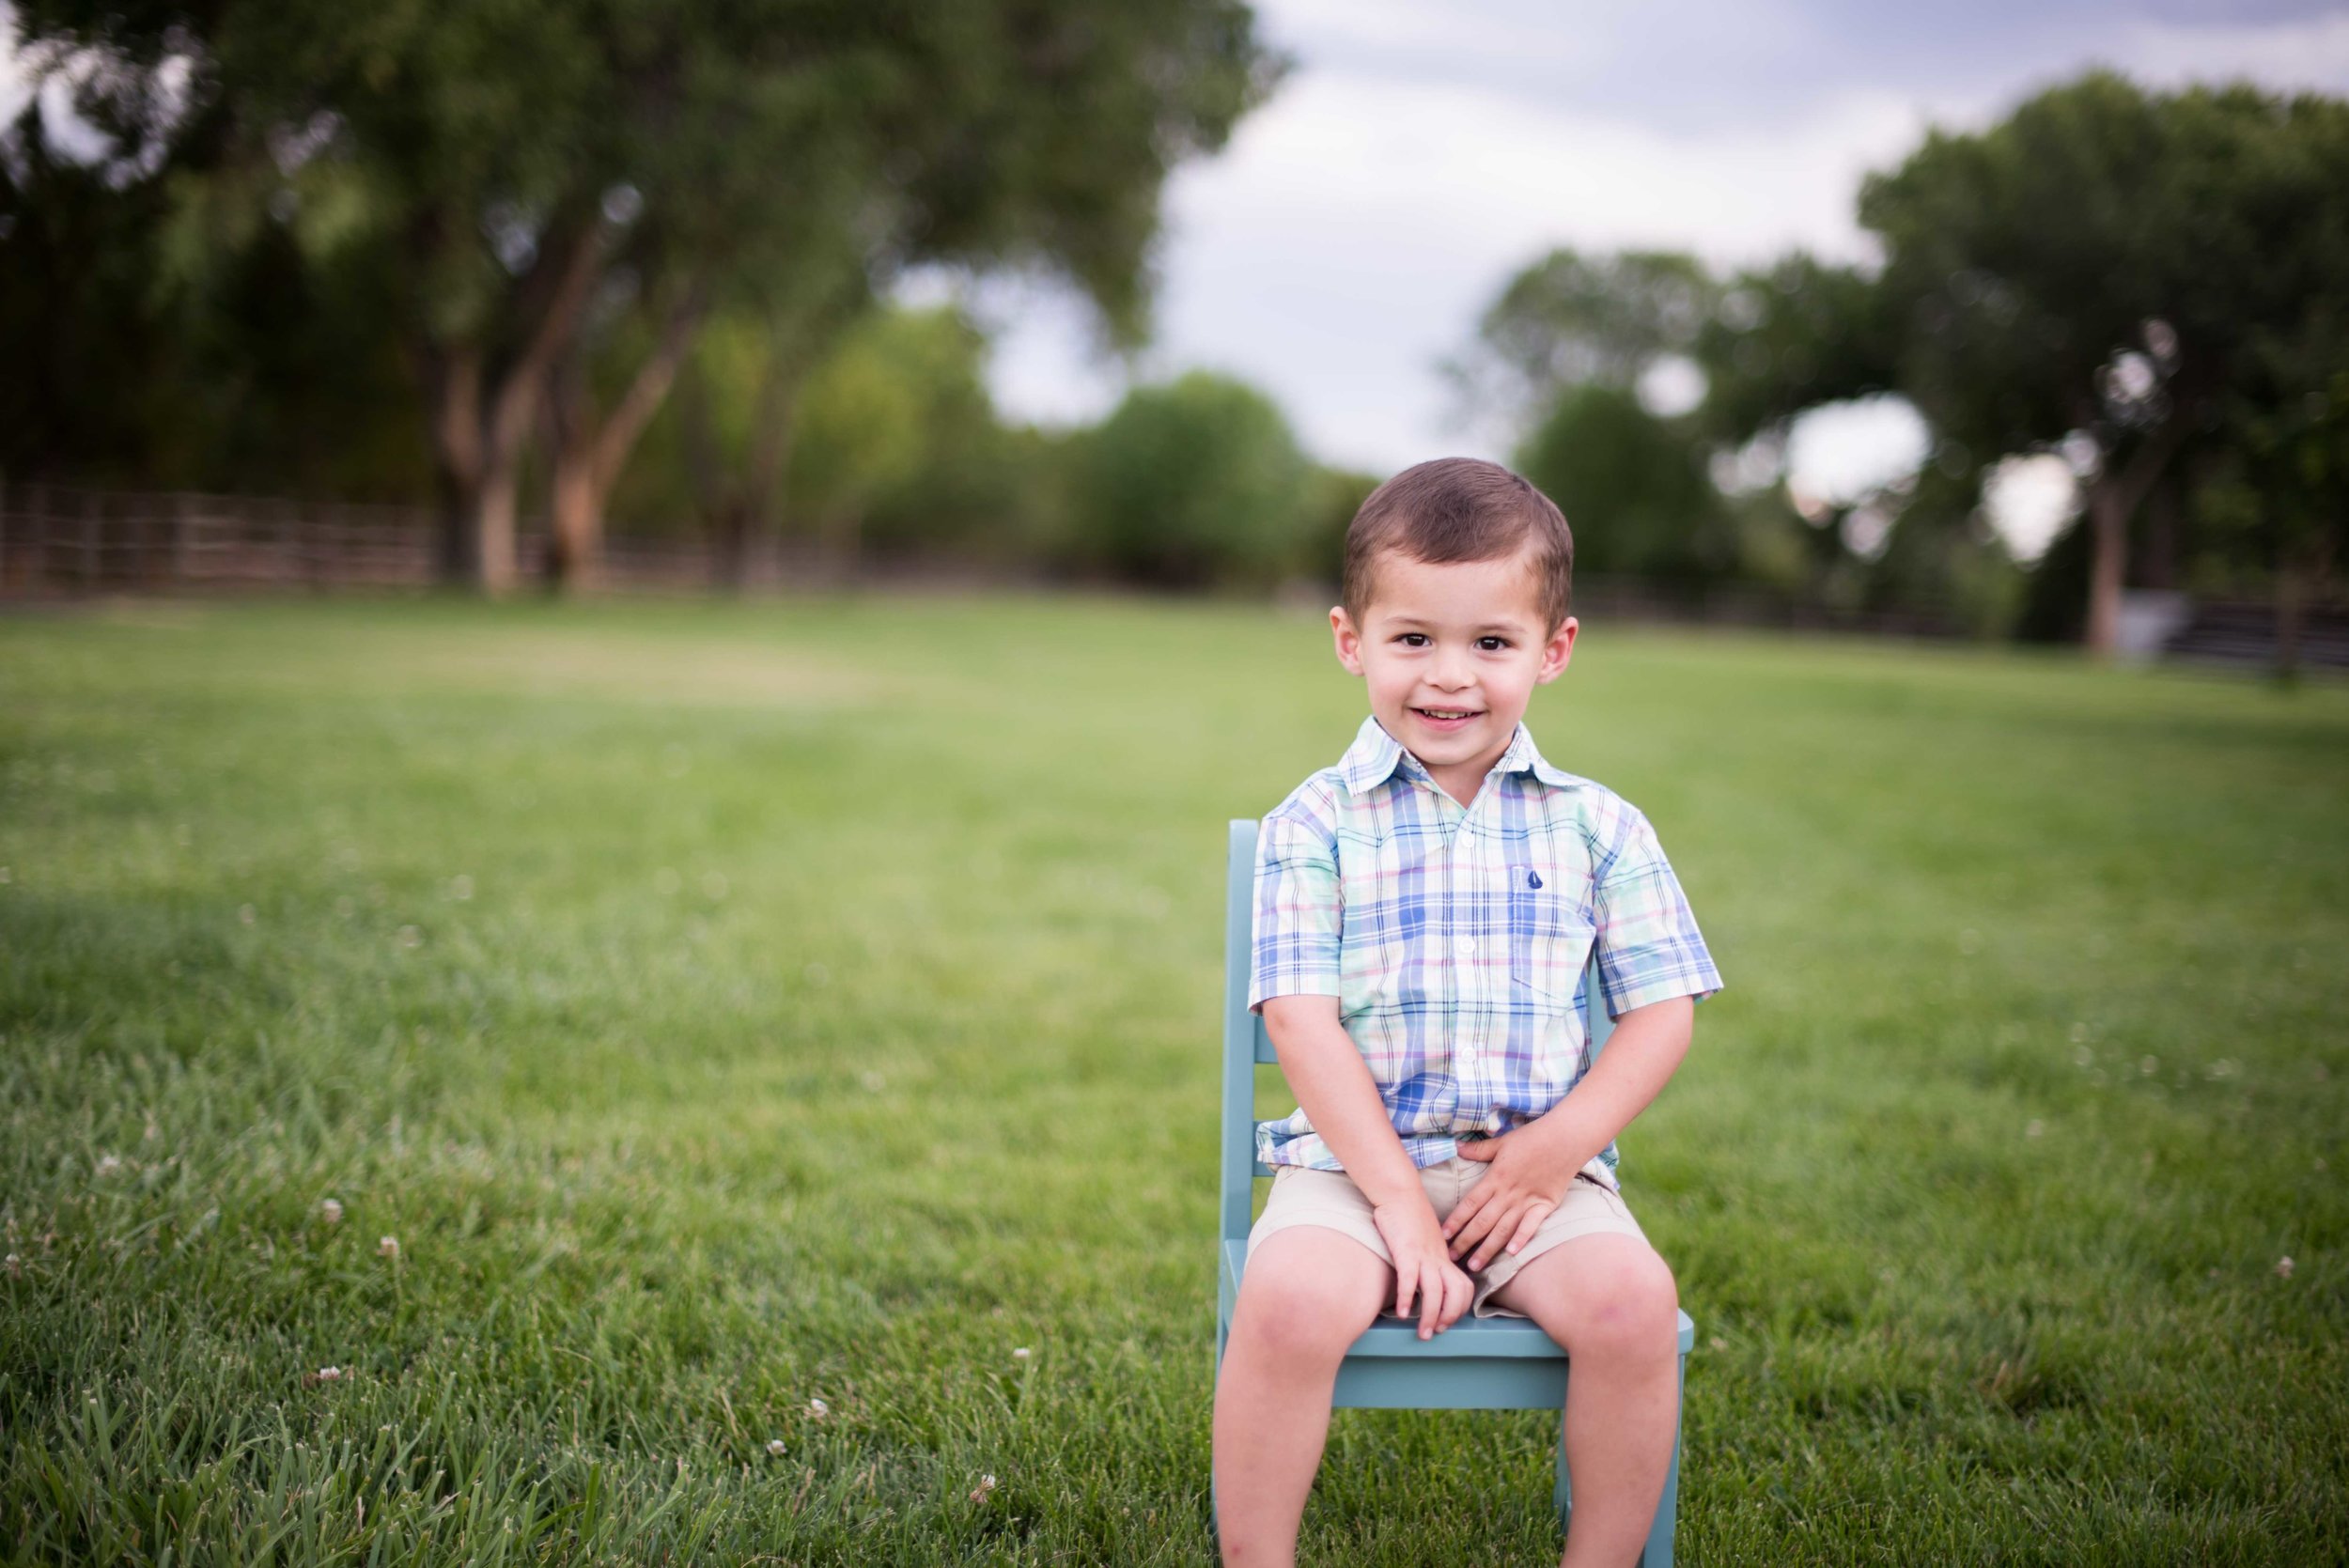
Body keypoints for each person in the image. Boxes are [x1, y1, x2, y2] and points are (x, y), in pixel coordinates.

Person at [1211, 457, 1724, 1568]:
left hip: (1532, 1174)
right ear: (1352, 640)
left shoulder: (1601, 828)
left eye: (1490, 643)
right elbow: (1300, 1020)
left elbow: (1662, 1012)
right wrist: (1395, 1203)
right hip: (1349, 1168)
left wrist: (1554, 1156)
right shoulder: (1316, 822)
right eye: (1412, 640)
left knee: (1635, 1304)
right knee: (1291, 1300)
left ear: (1554, 649)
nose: (1449, 678)